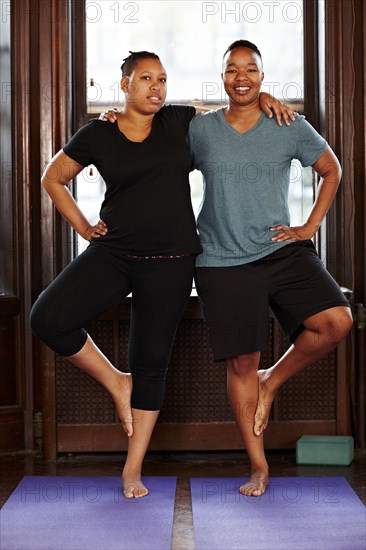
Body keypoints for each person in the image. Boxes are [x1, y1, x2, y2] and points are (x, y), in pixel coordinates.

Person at [30, 50, 293, 499]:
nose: (156, 87)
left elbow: (233, 111)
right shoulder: (99, 132)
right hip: (114, 253)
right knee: (48, 318)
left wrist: (262, 94)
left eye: (163, 80)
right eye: (146, 79)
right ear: (125, 85)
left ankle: (131, 471)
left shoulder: (179, 123)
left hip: (171, 263)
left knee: (151, 364)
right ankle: (117, 380)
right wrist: (85, 227)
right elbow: (52, 178)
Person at [188, 40, 353, 497]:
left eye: (251, 70)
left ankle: (271, 381)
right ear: (221, 76)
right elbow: (153, 134)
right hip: (221, 258)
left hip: (281, 249)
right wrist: (113, 118)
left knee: (336, 321)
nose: (241, 77)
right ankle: (259, 468)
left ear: (263, 75)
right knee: (242, 360)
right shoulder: (200, 131)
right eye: (232, 70)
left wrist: (310, 225)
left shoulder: (287, 123)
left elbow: (331, 168)